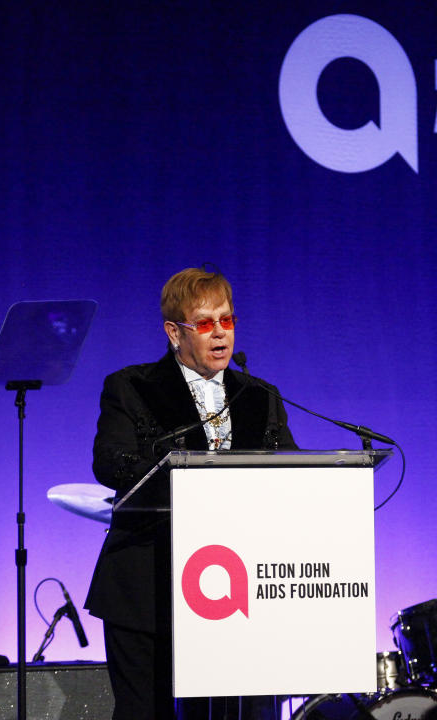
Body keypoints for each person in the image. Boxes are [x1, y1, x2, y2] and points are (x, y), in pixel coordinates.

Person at [85, 267, 296, 719]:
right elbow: (109, 461)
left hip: (237, 589)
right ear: (173, 332)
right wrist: (185, 476)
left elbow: (290, 472)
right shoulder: (132, 386)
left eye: (227, 320)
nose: (220, 333)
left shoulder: (261, 396)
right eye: (204, 323)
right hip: (148, 582)